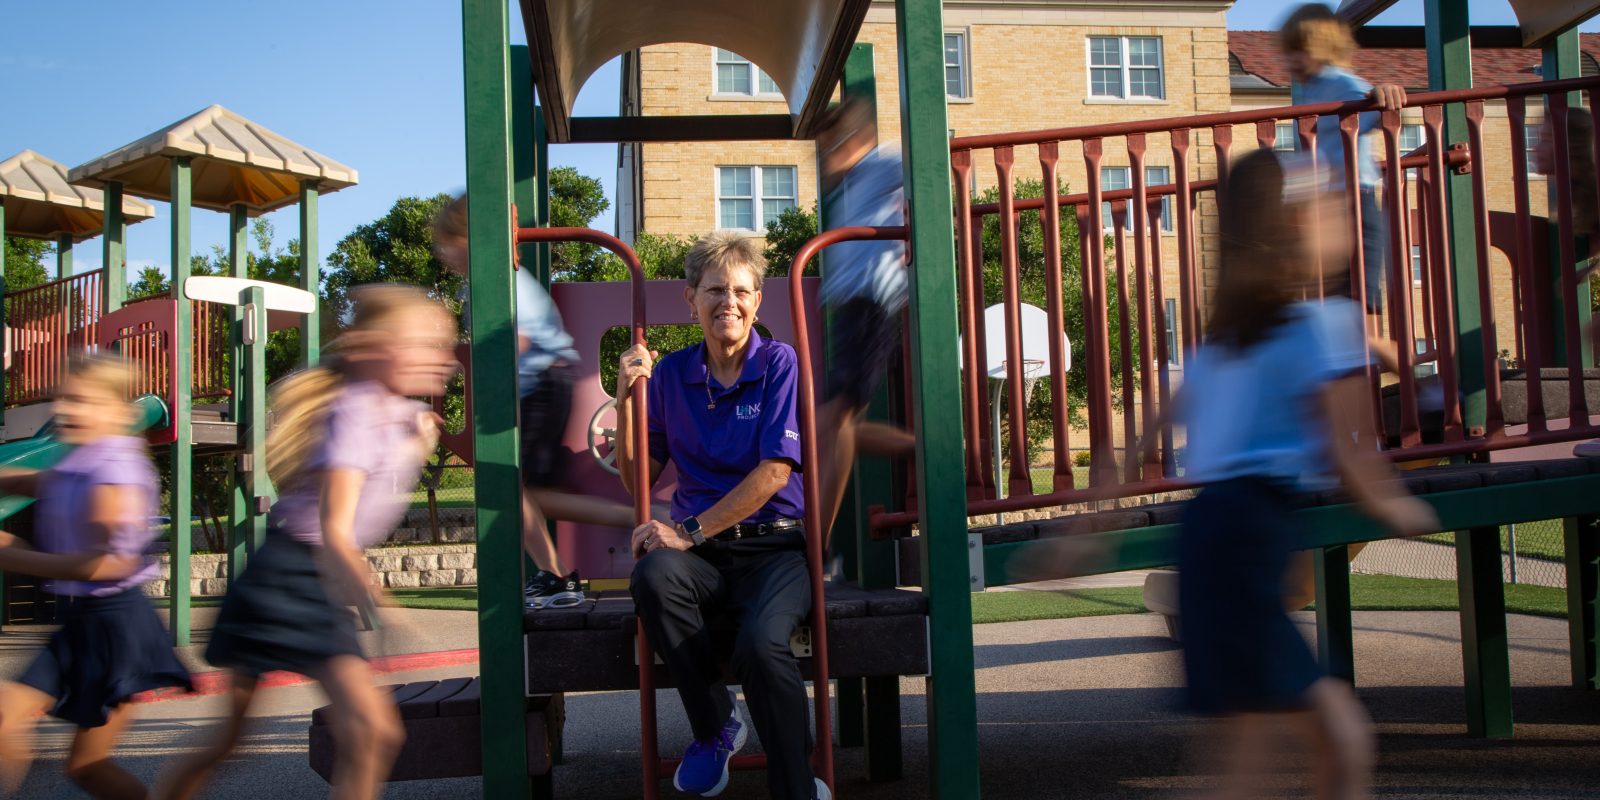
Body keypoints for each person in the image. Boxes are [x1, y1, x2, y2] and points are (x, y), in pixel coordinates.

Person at [1162, 150, 1437, 799]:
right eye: (1336, 206)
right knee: (1335, 740)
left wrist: (1090, 525)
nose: (1353, 216)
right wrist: (1402, 508)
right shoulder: (1328, 324)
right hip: (1247, 536)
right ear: (1293, 229)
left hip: (1208, 535)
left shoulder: (1226, 336)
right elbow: (1351, 453)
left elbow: (1158, 422)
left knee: (1244, 762)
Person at [157, 285, 456, 800]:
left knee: (235, 737)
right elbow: (337, 529)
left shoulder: (389, 409)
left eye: (445, 346)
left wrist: (417, 438)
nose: (444, 360)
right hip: (296, 575)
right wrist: (387, 609)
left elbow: (381, 471)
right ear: (372, 348)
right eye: (426, 346)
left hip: (295, 572)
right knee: (372, 731)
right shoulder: (355, 412)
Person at [615, 233, 828, 800]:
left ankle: (796, 786)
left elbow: (776, 472)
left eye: (740, 290)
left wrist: (685, 531)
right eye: (714, 289)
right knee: (652, 575)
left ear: (759, 301)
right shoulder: (671, 375)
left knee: (762, 645)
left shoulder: (779, 362)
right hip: (703, 559)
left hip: (773, 549)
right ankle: (716, 726)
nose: (727, 302)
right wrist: (624, 398)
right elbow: (640, 475)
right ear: (690, 300)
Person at [433, 195, 655, 609]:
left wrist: (494, 399)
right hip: (546, 381)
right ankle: (639, 515)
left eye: (449, 242)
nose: (444, 253)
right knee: (533, 494)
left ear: (471, 240)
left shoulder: (498, 280)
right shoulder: (493, 279)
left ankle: (556, 574)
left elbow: (516, 341)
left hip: (541, 384)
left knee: (507, 487)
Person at [0, 354, 191, 798]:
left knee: (87, 765)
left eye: (81, 400)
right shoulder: (84, 459)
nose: (65, 409)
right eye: (63, 398)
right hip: (81, 619)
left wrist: (12, 554)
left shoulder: (115, 469)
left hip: (116, 625)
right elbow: (40, 483)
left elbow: (108, 563)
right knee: (8, 717)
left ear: (117, 412)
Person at [811, 96, 917, 538]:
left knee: (831, 420)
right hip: (849, 310)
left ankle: (815, 535)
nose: (828, 159)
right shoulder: (848, 187)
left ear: (862, 140)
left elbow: (930, 172)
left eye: (836, 146)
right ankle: (935, 450)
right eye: (823, 150)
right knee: (839, 424)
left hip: (872, 305)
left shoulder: (885, 163)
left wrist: (916, 228)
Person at [1281, 3, 1408, 369]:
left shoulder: (1338, 81)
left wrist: (1383, 92)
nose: (1292, 60)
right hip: (1326, 209)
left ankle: (1432, 389)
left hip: (1356, 200)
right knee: (1337, 314)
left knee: (1360, 315)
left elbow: (1377, 101)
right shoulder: (1307, 93)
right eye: (1289, 51)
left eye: (1300, 49)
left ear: (1323, 47)